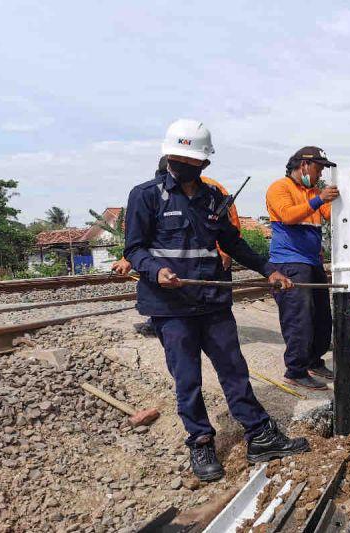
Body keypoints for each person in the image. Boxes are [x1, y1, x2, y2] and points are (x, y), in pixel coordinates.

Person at [124, 119, 308, 482]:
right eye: (176, 157)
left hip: (212, 300)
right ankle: (201, 439)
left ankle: (259, 435)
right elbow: (134, 249)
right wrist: (156, 270)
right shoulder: (145, 195)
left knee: (234, 370)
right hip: (170, 307)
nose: (180, 165)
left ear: (204, 164)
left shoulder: (212, 199)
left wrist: (267, 269)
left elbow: (233, 243)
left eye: (189, 160)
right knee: (187, 378)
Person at [266, 146, 340, 390]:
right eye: (318, 168)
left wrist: (340, 200)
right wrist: (318, 199)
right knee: (299, 318)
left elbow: (330, 214)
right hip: (290, 261)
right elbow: (288, 216)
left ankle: (313, 360)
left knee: (321, 316)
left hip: (312, 261)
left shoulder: (313, 191)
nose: (320, 175)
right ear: (304, 165)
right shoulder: (280, 187)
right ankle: (295, 370)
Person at [112, 156, 242, 277]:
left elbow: (225, 226)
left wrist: (224, 252)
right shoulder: (150, 193)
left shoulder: (209, 191)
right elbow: (139, 239)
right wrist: (131, 260)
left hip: (208, 265)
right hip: (170, 279)